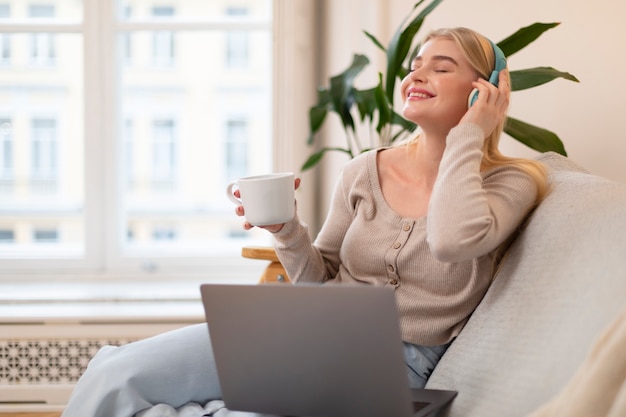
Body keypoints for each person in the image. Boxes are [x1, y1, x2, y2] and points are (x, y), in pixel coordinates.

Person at [60, 27, 547, 417]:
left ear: (486, 92)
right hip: (307, 330)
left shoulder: (512, 181)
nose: (416, 75)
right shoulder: (364, 170)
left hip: (390, 365)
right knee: (116, 371)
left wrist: (470, 136)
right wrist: (286, 230)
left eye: (442, 67)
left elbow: (450, 241)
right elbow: (319, 279)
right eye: (416, 64)